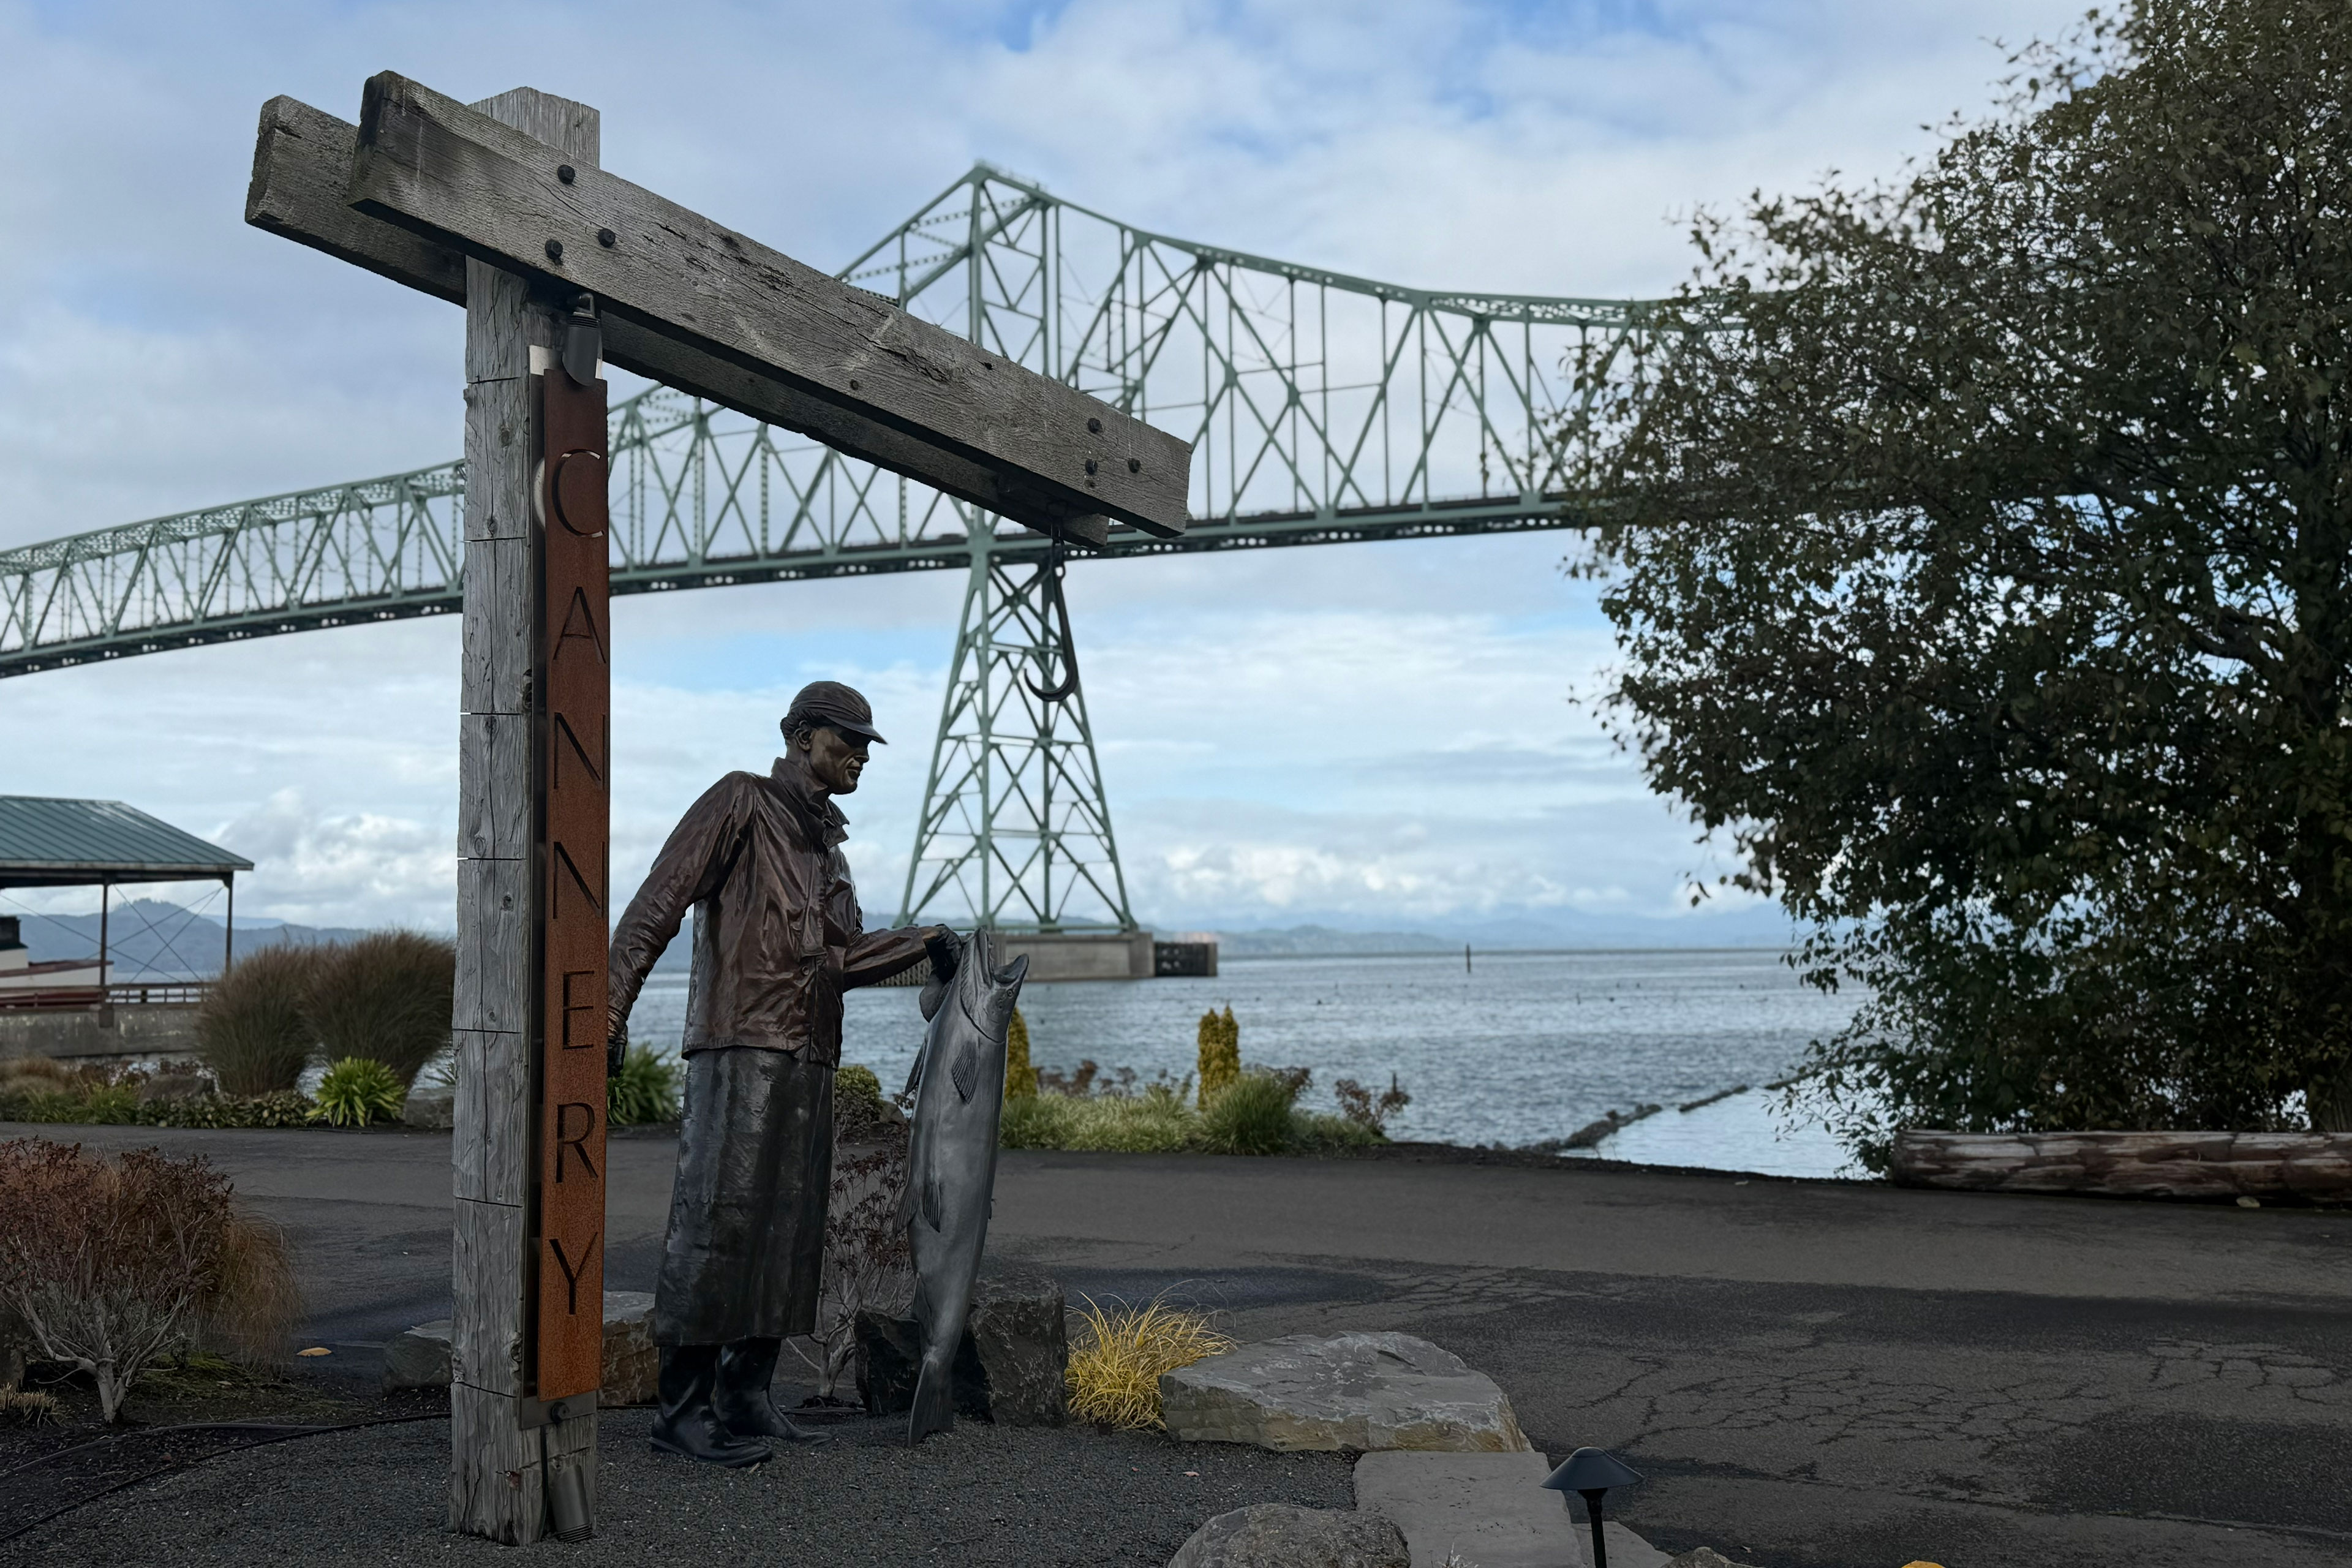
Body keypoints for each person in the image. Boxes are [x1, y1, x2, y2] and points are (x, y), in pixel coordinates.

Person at [606, 680, 958, 1466]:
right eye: (847, 740)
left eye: (867, 744)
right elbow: (657, 903)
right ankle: (682, 1412)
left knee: (788, 1235)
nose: (861, 755)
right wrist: (608, 1006)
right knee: (719, 1229)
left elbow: (840, 962)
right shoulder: (742, 802)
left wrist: (926, 941)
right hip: (741, 1046)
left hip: (809, 1057)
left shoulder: (831, 854)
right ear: (801, 736)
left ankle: (745, 1395)